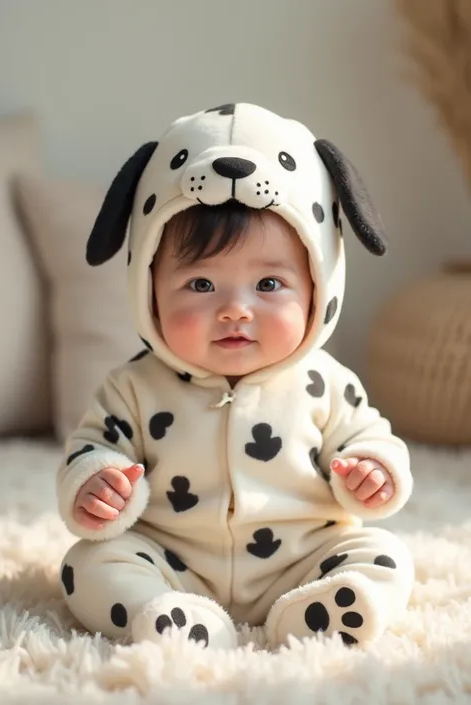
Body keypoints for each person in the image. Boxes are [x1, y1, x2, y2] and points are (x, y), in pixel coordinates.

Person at [56, 102, 414, 651]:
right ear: (147, 286)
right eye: (201, 285)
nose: (235, 310)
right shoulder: (131, 387)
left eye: (269, 285)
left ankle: (320, 611)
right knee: (87, 564)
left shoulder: (328, 382)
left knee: (388, 556)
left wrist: (373, 472)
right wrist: (95, 486)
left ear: (319, 286)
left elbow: (369, 436)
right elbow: (91, 447)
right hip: (171, 561)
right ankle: (169, 615)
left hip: (302, 559)